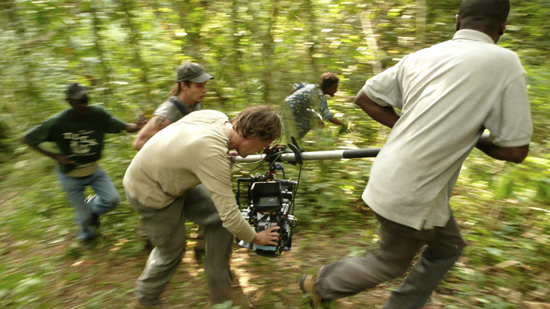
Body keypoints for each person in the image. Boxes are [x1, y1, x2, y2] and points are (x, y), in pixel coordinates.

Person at [299, 0, 532, 308]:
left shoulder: (424, 56)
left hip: (395, 176)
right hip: (415, 190)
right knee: (390, 263)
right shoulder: (505, 63)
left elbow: (365, 97)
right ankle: (320, 285)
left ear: (458, 21)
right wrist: (469, 133)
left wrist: (413, 127)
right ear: (502, 27)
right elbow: (515, 150)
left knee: (448, 246)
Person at [124, 105, 283, 308]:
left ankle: (221, 291)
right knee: (170, 251)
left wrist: (223, 154)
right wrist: (256, 237)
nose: (262, 150)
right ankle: (144, 300)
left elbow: (189, 147)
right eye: (264, 144)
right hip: (148, 190)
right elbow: (232, 218)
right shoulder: (211, 154)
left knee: (218, 218)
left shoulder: (215, 116)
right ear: (253, 135)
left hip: (173, 178)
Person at [23, 83, 147, 241]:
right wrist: (56, 156)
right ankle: (86, 235)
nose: (84, 102)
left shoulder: (97, 114)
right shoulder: (57, 122)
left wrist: (137, 126)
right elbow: (29, 139)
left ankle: (90, 206)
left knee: (112, 200)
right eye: (79, 100)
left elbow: (124, 126)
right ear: (70, 102)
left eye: (86, 97)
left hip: (93, 170)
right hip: (70, 175)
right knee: (85, 218)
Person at [132, 62, 213, 253]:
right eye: (199, 85)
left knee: (214, 199)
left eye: (204, 85)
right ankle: (147, 234)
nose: (205, 90)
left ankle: (202, 245)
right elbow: (139, 143)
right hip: (166, 174)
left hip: (189, 168)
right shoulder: (168, 113)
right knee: (168, 214)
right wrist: (175, 158)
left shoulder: (195, 104)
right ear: (184, 85)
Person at [281, 72, 345, 141]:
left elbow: (297, 86)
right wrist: (343, 125)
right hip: (291, 111)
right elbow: (328, 117)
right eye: (334, 88)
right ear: (326, 87)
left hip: (290, 106)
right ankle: (293, 140)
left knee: (317, 119)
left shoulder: (312, 86)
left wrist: (288, 98)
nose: (336, 90)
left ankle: (292, 139)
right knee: (312, 121)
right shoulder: (320, 95)